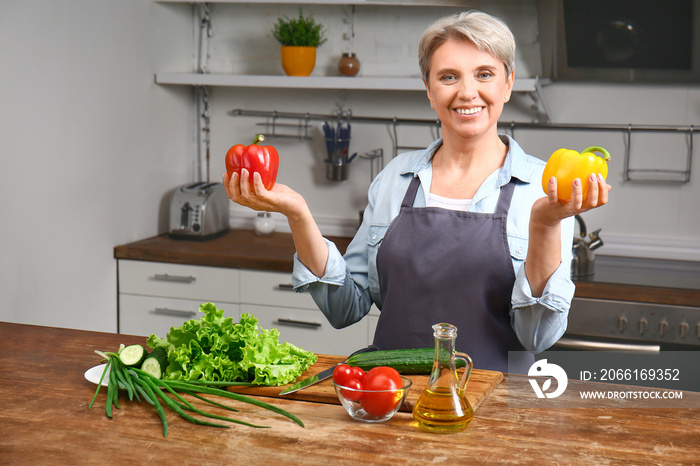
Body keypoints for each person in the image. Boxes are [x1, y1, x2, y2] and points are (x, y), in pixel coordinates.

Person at [223, 11, 611, 373]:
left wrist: (543, 225)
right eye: (448, 77)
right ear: (429, 89)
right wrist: (298, 214)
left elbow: (537, 337)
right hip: (390, 397)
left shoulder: (544, 189)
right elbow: (347, 307)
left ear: (507, 84)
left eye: (484, 74)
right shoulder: (396, 178)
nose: (467, 92)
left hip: (495, 415)